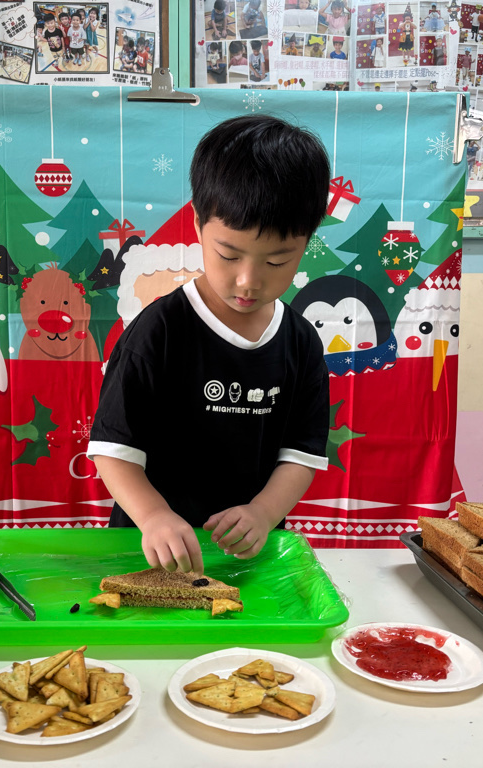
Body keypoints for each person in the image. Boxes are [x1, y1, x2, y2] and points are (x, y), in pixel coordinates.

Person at [87, 115, 331, 574]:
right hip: (148, 554)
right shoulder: (158, 331)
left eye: (277, 261)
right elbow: (112, 450)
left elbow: (301, 454)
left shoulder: (300, 343)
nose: (248, 280)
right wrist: (153, 517)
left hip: (246, 559)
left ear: (305, 243)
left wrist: (263, 513)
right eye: (229, 255)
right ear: (198, 223)